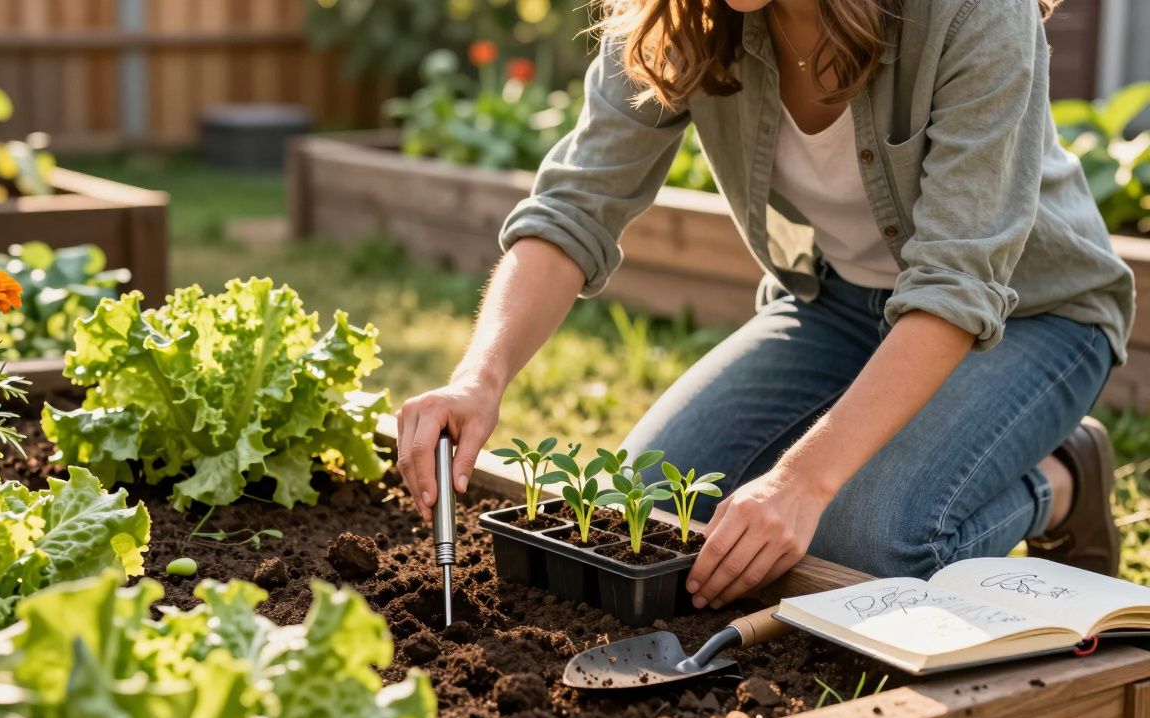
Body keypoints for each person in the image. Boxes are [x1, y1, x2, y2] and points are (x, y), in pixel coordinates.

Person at [396, 0, 1136, 611]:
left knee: (859, 548)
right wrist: (479, 377)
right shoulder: (678, 19)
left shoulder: (972, 11)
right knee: (649, 513)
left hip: (1031, 317)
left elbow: (958, 284)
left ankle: (1060, 478)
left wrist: (801, 482)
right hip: (836, 304)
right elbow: (575, 205)